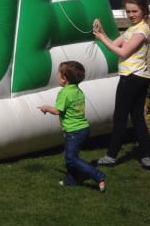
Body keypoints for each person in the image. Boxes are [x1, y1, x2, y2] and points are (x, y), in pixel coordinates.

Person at [92, 0, 150, 170]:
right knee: (137, 117)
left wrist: (102, 38)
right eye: (128, 12)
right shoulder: (131, 29)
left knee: (120, 117)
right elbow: (114, 44)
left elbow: (123, 52)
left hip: (133, 78)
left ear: (144, 11)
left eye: (135, 11)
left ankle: (111, 156)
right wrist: (101, 31)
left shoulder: (142, 30)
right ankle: (146, 155)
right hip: (135, 77)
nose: (131, 15)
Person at [39, 60, 106, 192]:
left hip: (74, 131)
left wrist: (46, 108)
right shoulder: (78, 91)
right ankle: (71, 180)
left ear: (64, 78)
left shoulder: (64, 93)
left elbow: (58, 110)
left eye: (59, 74)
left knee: (71, 158)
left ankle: (98, 175)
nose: (57, 76)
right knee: (71, 156)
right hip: (83, 129)